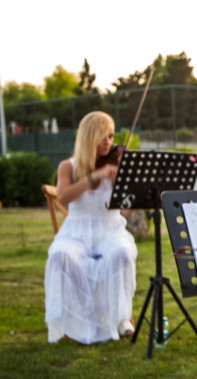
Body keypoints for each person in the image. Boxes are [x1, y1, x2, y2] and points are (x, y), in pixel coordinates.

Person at [44, 111, 138, 345]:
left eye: (111, 136)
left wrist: (122, 184)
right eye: (102, 136)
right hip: (76, 232)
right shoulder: (69, 166)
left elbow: (126, 211)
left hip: (110, 229)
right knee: (60, 255)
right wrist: (94, 176)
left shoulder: (116, 165)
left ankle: (121, 319)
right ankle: (74, 322)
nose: (108, 142)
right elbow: (63, 197)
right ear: (88, 137)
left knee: (121, 253)